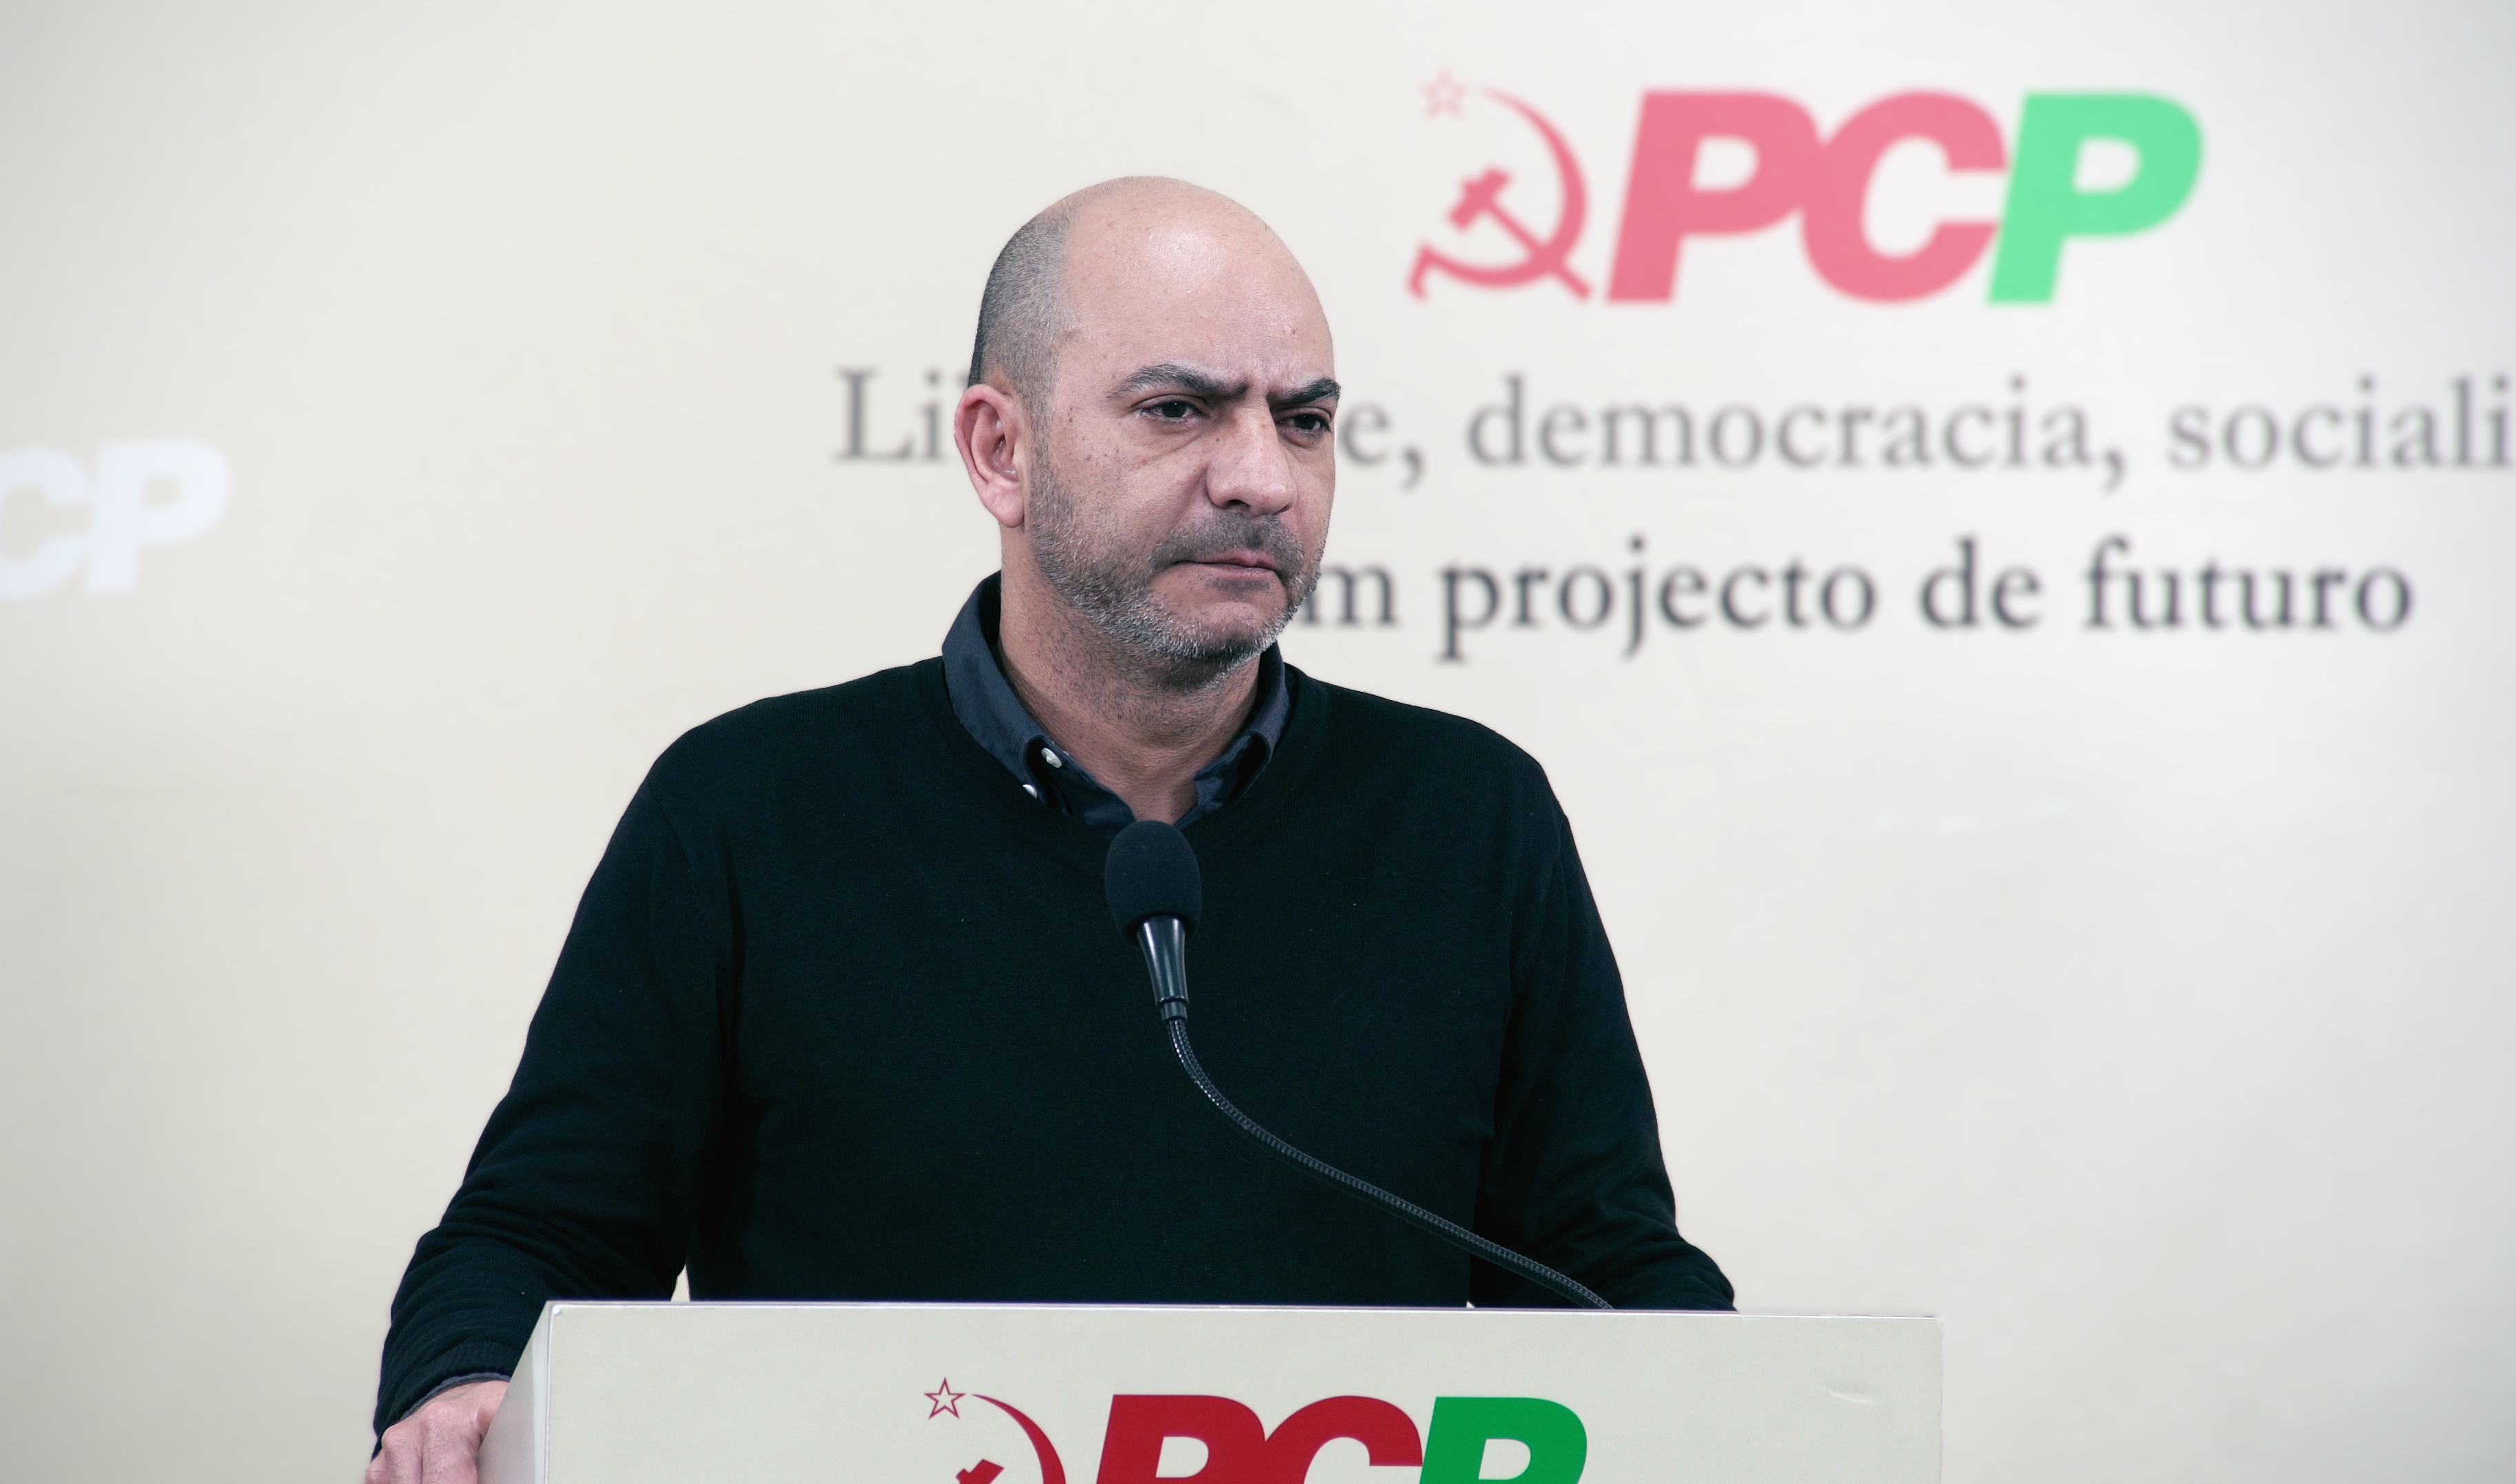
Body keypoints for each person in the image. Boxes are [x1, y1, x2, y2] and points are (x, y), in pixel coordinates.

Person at [366, 177, 1731, 1483]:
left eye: (1305, 420)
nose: (1262, 476)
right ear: (999, 451)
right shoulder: (744, 806)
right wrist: (466, 1384)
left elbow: (1602, 1272)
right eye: (1181, 410)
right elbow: (539, 1234)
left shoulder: (1470, 813)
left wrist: (1741, 1413)